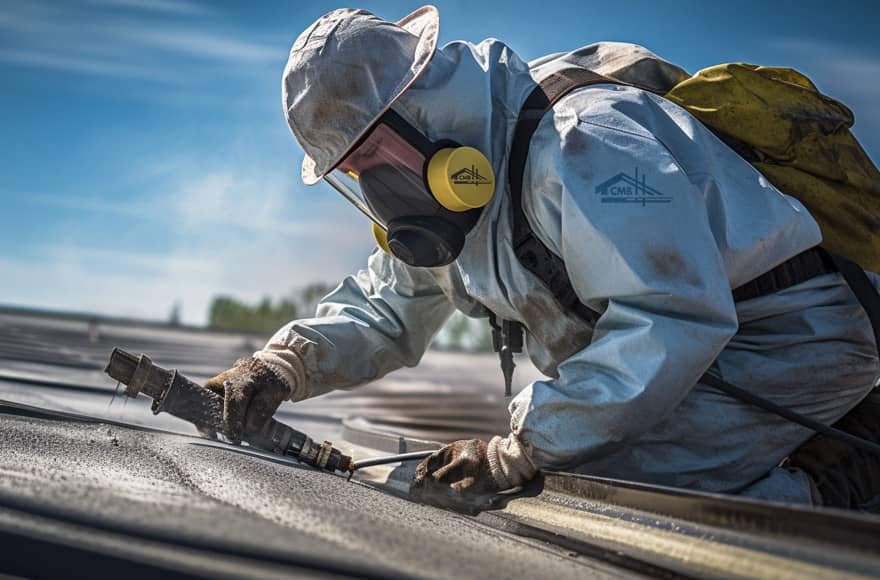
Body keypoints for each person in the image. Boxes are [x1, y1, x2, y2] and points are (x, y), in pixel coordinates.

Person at [202, 6, 880, 511]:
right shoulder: (457, 196)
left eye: (372, 155)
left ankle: (837, 475)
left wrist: (525, 447)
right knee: (580, 465)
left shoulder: (584, 141)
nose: (376, 190)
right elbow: (387, 304)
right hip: (685, 356)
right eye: (353, 172)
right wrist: (280, 365)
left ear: (421, 106)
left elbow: (671, 316)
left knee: (626, 490)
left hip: (784, 336)